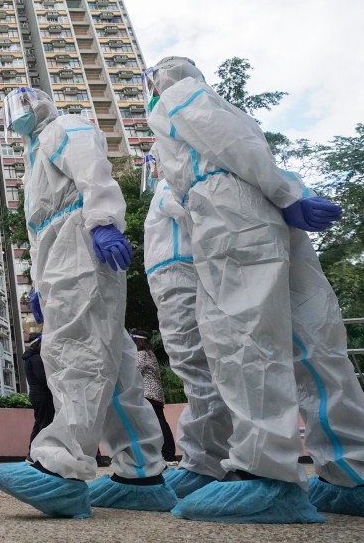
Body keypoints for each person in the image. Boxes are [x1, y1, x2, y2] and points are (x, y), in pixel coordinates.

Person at [146, 56, 364, 523]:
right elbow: (248, 145)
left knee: (245, 344)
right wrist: (289, 193)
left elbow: (233, 144)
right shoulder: (218, 108)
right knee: (313, 348)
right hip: (259, 212)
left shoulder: (178, 98)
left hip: (230, 216)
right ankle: (355, 478)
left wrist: (285, 192)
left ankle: (265, 475)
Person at [0, 88, 176, 519]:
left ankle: (60, 466)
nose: (16, 115)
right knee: (117, 363)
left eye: (22, 104)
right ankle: (141, 472)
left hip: (80, 242)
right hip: (59, 252)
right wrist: (36, 281)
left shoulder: (64, 128)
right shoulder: (35, 156)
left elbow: (94, 173)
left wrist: (104, 221)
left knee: (78, 351)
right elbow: (37, 230)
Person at [143, 170, 232, 498]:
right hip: (170, 275)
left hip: (183, 271)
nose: (150, 167)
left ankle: (209, 463)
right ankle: (204, 460)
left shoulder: (177, 182)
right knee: (194, 367)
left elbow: (195, 214)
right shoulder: (165, 188)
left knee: (202, 368)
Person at [130, 330, 177, 463]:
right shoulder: (150, 354)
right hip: (155, 394)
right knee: (160, 423)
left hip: (148, 393)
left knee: (158, 424)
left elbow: (134, 370)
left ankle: (167, 454)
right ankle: (168, 453)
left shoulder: (142, 354)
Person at [22, 330, 52, 455]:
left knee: (39, 423)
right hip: (42, 395)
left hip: (37, 395)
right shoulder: (36, 359)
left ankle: (33, 452)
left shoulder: (31, 358)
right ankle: (36, 453)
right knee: (44, 424)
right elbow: (42, 377)